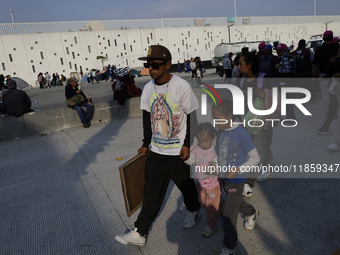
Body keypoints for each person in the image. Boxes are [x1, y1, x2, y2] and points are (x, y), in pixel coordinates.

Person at [115, 45, 201, 246]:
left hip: (178, 151)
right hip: (156, 150)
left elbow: (192, 117)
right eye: (148, 65)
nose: (150, 68)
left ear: (168, 65)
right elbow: (147, 118)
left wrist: (187, 144)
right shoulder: (148, 88)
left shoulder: (181, 86)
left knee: (185, 186)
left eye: (155, 64)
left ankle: (194, 209)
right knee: (151, 192)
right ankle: (139, 233)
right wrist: (146, 144)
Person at [212, 99, 260, 255]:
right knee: (235, 204)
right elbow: (219, 151)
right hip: (222, 178)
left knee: (229, 214)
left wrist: (238, 170)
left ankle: (230, 246)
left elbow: (255, 158)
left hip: (236, 180)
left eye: (218, 119)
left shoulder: (242, 134)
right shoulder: (221, 130)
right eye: (214, 119)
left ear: (229, 116)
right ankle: (251, 212)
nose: (215, 123)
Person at [239, 52, 281, 194]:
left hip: (263, 123)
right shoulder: (241, 81)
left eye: (241, 64)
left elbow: (278, 96)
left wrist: (265, 95)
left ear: (250, 65)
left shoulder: (264, 79)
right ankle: (268, 170)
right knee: (256, 149)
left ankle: (248, 183)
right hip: (248, 122)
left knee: (256, 152)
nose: (238, 67)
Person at [185, 123, 220, 238]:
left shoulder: (215, 152)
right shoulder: (196, 148)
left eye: (206, 140)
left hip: (212, 185)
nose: (203, 144)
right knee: (204, 204)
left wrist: (215, 167)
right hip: (200, 184)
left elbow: (220, 167)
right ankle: (220, 204)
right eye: (200, 141)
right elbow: (190, 161)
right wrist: (186, 157)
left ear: (212, 138)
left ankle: (210, 225)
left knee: (210, 209)